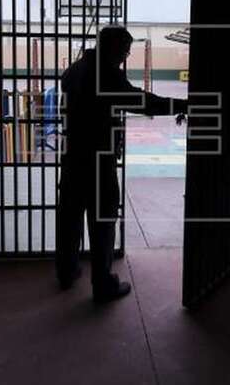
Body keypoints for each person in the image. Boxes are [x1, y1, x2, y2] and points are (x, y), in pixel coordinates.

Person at [56, 25, 188, 302]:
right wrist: (181, 105)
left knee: (70, 216)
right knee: (103, 219)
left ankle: (66, 272)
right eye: (124, 51)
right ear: (113, 48)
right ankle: (103, 284)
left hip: (72, 157)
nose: (125, 57)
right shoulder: (105, 75)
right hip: (98, 158)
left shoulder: (74, 70)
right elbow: (141, 102)